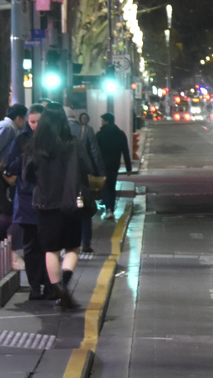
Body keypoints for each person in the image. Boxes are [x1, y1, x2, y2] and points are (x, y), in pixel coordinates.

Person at [23, 107, 94, 310]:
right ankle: (66, 280)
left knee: (50, 250)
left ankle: (58, 287)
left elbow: (27, 176)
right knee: (72, 247)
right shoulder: (73, 144)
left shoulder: (34, 147)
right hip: (70, 203)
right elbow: (87, 167)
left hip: (45, 205)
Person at [4, 105, 49, 300]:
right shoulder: (21, 140)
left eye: (38, 121)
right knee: (31, 247)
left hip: (48, 200)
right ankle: (35, 286)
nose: (35, 125)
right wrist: (25, 159)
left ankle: (50, 284)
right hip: (27, 201)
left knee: (48, 244)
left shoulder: (52, 141)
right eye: (32, 122)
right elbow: (10, 167)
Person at [75, 113, 105, 256]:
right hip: (81, 177)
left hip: (61, 182)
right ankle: (85, 242)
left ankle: (69, 242)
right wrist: (99, 172)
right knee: (85, 209)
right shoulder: (86, 131)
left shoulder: (57, 132)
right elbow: (94, 151)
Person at [95, 112, 133, 218]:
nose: (101, 123)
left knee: (106, 186)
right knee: (112, 186)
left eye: (102, 121)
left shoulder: (100, 135)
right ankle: (110, 207)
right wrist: (128, 167)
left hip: (103, 165)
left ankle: (108, 209)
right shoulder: (120, 134)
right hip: (115, 164)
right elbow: (125, 151)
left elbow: (95, 151)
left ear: (107, 121)